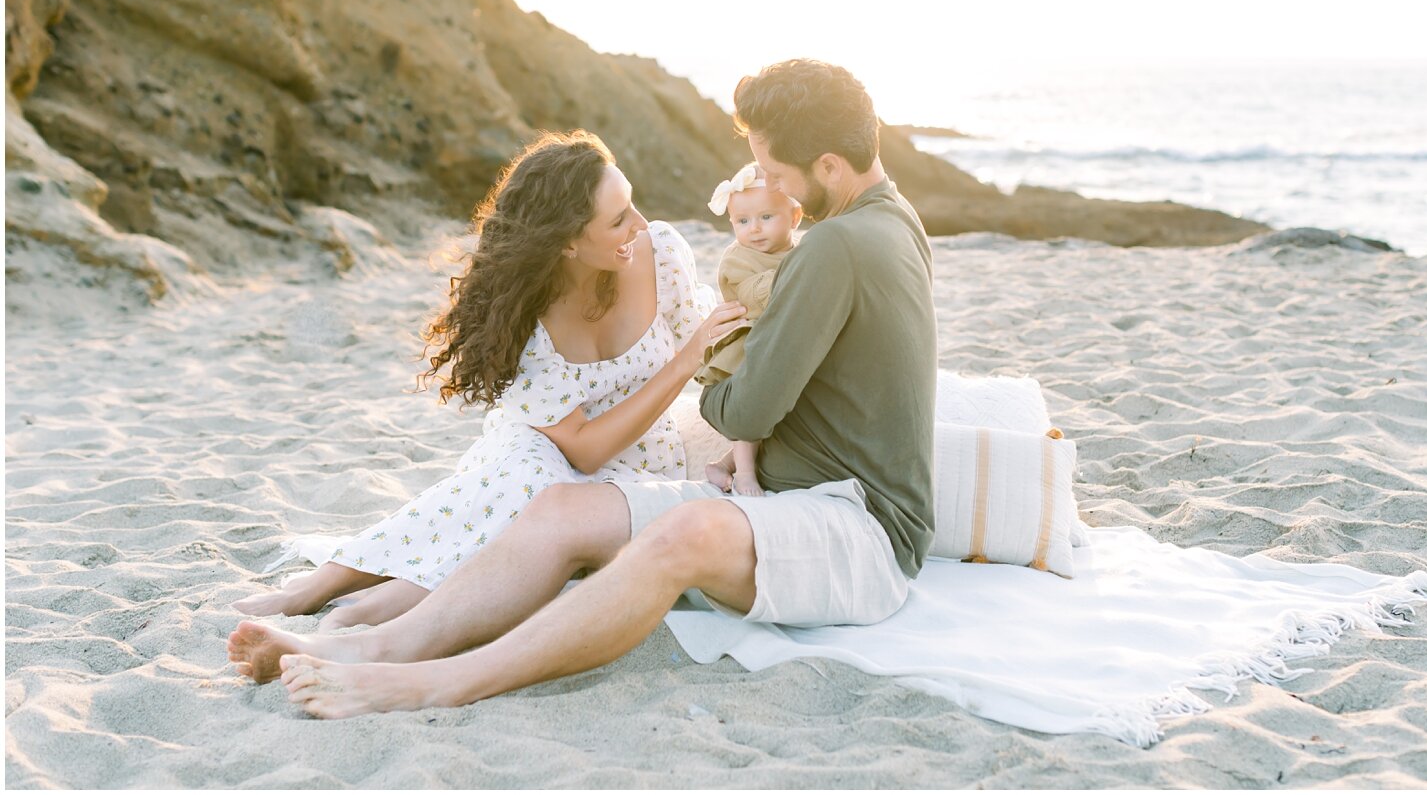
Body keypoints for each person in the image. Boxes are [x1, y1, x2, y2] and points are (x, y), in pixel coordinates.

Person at [226, 59, 938, 719]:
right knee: (559, 507)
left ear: (829, 165)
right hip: (791, 495)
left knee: (680, 531)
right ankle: (370, 643)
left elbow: (744, 405)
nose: (768, 191)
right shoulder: (892, 216)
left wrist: (727, 393)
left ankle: (441, 678)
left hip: (853, 527)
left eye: (774, 173)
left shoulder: (833, 247)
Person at [230, 130, 747, 630]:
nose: (638, 223)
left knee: (532, 514)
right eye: (617, 220)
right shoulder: (526, 324)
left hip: (642, 457)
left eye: (632, 203)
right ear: (567, 243)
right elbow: (583, 451)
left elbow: (716, 348)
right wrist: (682, 362)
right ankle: (324, 582)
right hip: (545, 447)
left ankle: (364, 610)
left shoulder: (660, 254)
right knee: (532, 481)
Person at [696, 161, 804, 497]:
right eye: (743, 222)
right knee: (752, 407)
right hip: (747, 345)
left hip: (781, 340)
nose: (754, 229)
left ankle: (723, 466)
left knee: (771, 423)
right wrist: (802, 273)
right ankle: (745, 475)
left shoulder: (800, 252)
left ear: (795, 217)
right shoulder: (737, 259)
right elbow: (752, 297)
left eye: (765, 218)